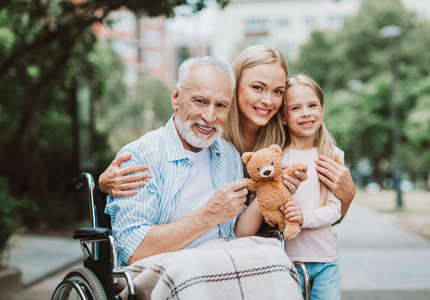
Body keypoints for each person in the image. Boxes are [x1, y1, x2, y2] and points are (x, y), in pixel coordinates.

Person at [105, 56, 303, 299]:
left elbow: (236, 235)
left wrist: (270, 190)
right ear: (176, 97)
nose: (210, 117)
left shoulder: (228, 154)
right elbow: (136, 250)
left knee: (273, 254)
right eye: (200, 101)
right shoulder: (140, 155)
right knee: (193, 271)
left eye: (221, 106)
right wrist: (209, 214)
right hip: (167, 268)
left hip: (220, 261)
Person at [100, 45, 355, 223]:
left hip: (270, 242)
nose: (268, 101)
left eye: (278, 92)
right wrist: (103, 185)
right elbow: (167, 168)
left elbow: (323, 217)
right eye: (257, 87)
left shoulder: (286, 141)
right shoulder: (207, 133)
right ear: (233, 87)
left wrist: (347, 197)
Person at [280, 74, 343, 299]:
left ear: (322, 110)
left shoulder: (332, 155)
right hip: (286, 262)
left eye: (312, 105)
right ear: (283, 117)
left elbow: (336, 210)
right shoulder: (277, 157)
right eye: (295, 108)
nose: (306, 113)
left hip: (325, 261)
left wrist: (303, 217)